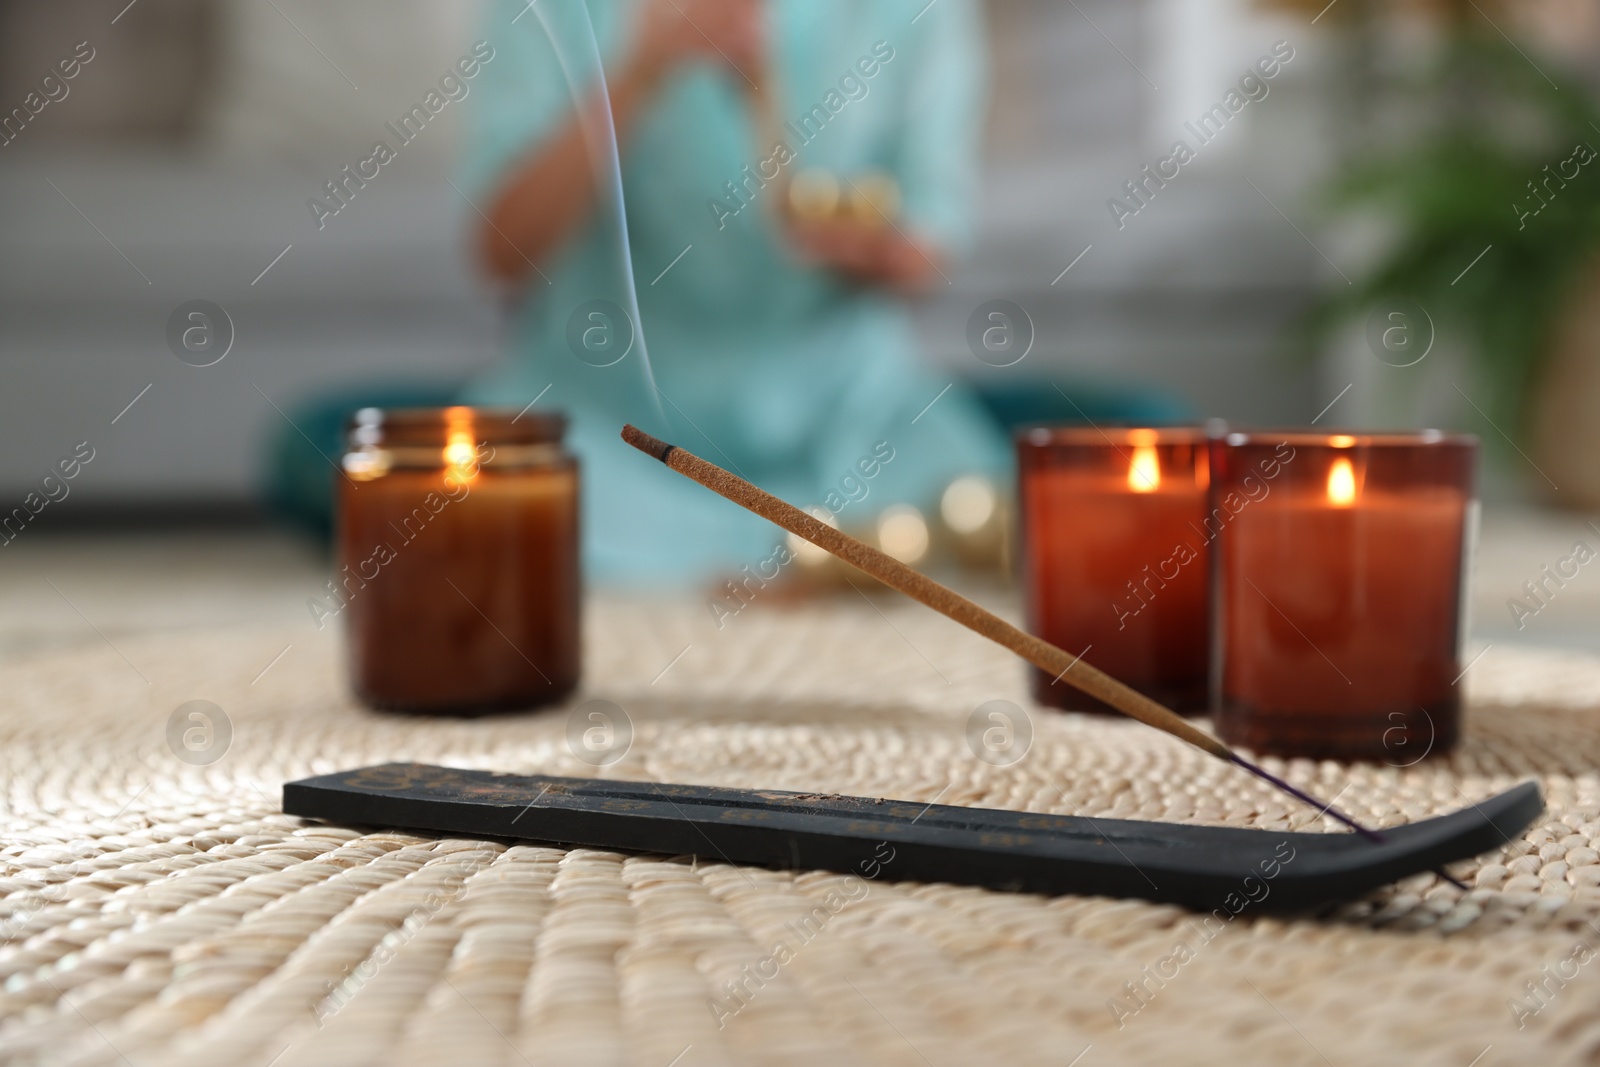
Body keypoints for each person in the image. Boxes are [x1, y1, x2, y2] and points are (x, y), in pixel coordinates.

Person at [461, 0, 1008, 583]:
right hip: (611, 425)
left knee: (972, 518)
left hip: (846, 420)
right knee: (498, 520)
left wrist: (871, 247)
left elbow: (929, 239)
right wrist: (638, 74)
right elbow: (502, 250)